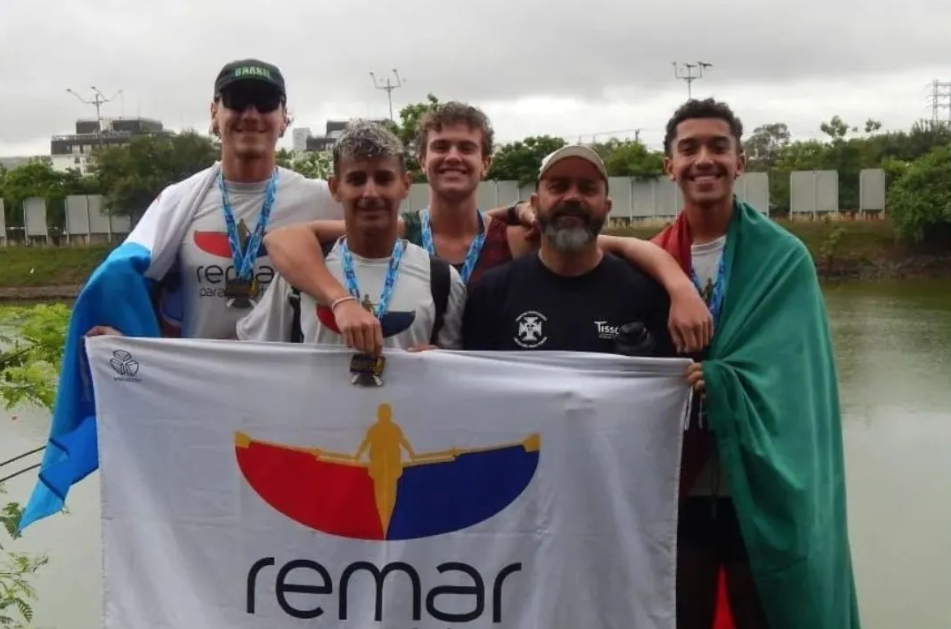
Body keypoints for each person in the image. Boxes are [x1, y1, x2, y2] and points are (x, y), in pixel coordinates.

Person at [18, 58, 344, 532]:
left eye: (265, 104)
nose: (250, 115)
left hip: (293, 410)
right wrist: (124, 345)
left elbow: (384, 252)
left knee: (293, 535)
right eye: (236, 102)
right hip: (201, 411)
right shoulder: (179, 201)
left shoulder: (320, 200)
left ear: (284, 118)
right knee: (203, 536)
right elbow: (126, 280)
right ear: (214, 114)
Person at [260, 101, 712, 357]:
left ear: (486, 163)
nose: (453, 156)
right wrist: (339, 299)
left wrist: (681, 287)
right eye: (441, 146)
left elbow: (607, 242)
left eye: (466, 147)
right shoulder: (396, 230)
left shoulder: (518, 237)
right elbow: (284, 239)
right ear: (420, 165)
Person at [661, 99, 860, 629]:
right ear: (670, 166)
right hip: (678, 491)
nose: (705, 159)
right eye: (689, 149)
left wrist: (722, 379)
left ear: (740, 162)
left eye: (718, 147)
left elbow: (795, 378)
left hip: (761, 488)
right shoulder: (656, 258)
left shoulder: (783, 258)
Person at [236, 119, 465, 351]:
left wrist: (440, 363)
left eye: (384, 179)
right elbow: (253, 359)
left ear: (405, 185)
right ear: (335, 188)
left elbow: (459, 372)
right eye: (356, 180)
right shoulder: (299, 276)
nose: (370, 193)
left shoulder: (442, 279)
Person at [461, 144, 675, 358]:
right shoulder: (491, 294)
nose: (572, 197)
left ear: (607, 207)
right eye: (558, 186)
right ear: (534, 204)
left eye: (587, 188)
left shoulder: (646, 296)